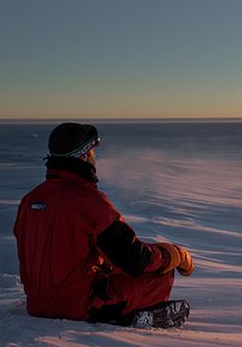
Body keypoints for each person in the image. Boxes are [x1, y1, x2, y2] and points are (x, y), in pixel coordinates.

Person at [13, 122, 194, 324]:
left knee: (111, 267)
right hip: (77, 307)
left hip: (37, 305)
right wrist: (176, 255)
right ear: (84, 155)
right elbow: (134, 258)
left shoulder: (30, 200)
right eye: (93, 153)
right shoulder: (87, 200)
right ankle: (129, 318)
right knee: (161, 275)